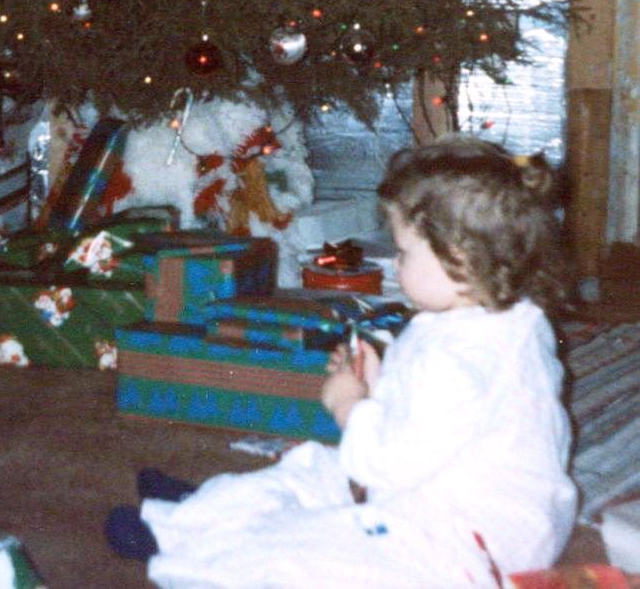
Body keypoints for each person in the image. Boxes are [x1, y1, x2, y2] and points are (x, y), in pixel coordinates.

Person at [104, 134, 577, 588]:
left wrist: (351, 406)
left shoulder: (456, 362)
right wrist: (382, 385)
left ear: (460, 259)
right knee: (314, 466)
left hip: (459, 546)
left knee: (305, 551)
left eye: (404, 252)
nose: (396, 264)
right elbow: (444, 422)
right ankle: (200, 512)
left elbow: (388, 466)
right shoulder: (512, 322)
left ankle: (190, 537)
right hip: (492, 517)